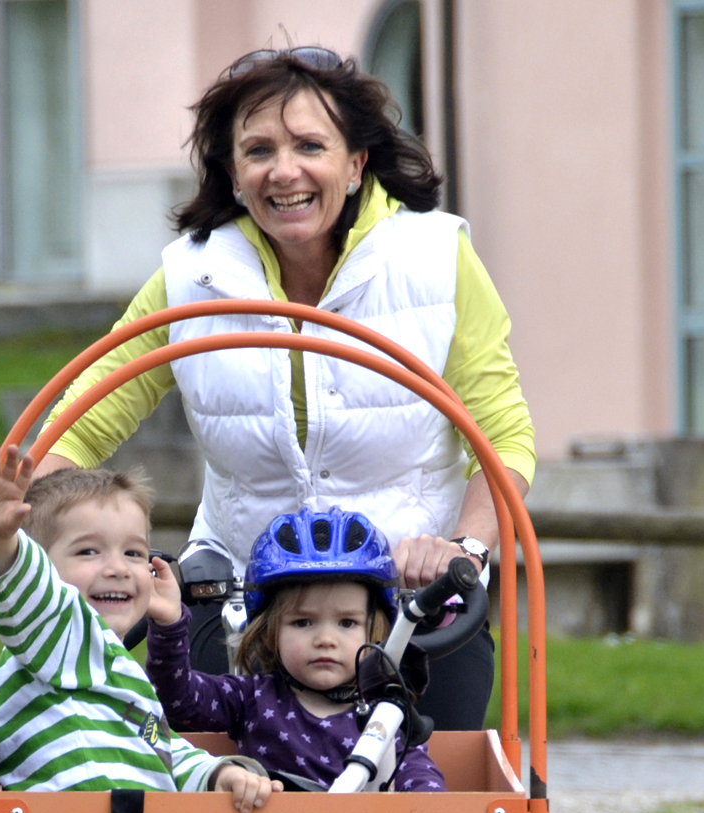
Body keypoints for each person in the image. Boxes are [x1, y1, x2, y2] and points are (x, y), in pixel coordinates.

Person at [33, 47, 535, 732]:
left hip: (402, 600)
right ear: (233, 173)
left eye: (309, 145)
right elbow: (85, 417)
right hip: (241, 594)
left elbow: (501, 436)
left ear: (356, 163)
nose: (284, 171)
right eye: (259, 149)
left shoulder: (435, 258)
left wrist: (461, 552)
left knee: (431, 798)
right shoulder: (192, 275)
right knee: (219, 800)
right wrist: (30, 525)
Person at [0, 443, 272, 810]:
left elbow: (159, 747)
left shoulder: (117, 670)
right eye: (89, 551)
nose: (119, 568)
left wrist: (216, 773)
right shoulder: (56, 638)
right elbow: (28, 590)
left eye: (134, 553)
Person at [144, 507, 444, 792]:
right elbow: (178, 697)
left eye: (347, 623)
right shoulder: (251, 698)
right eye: (302, 622)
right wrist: (169, 626)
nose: (326, 639)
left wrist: (428, 808)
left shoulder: (387, 711)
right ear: (269, 631)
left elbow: (421, 776)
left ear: (375, 630)